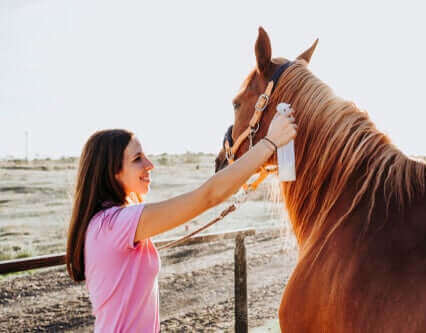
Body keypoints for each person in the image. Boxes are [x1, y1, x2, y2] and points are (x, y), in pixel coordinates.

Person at [65, 112, 297, 332]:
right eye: (137, 159)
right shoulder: (115, 224)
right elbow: (208, 196)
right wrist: (270, 142)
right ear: (112, 172)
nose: (149, 164)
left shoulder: (107, 223)